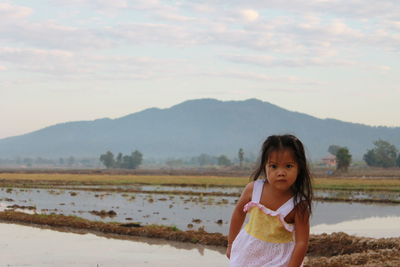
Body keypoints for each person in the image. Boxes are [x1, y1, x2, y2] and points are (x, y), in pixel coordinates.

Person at [227, 134, 313, 267]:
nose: (281, 172)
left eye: (288, 166)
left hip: (278, 259)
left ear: (299, 168)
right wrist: (231, 243)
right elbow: (239, 213)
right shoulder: (253, 189)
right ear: (264, 167)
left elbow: (301, 242)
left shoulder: (298, 205)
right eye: (274, 166)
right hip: (247, 252)